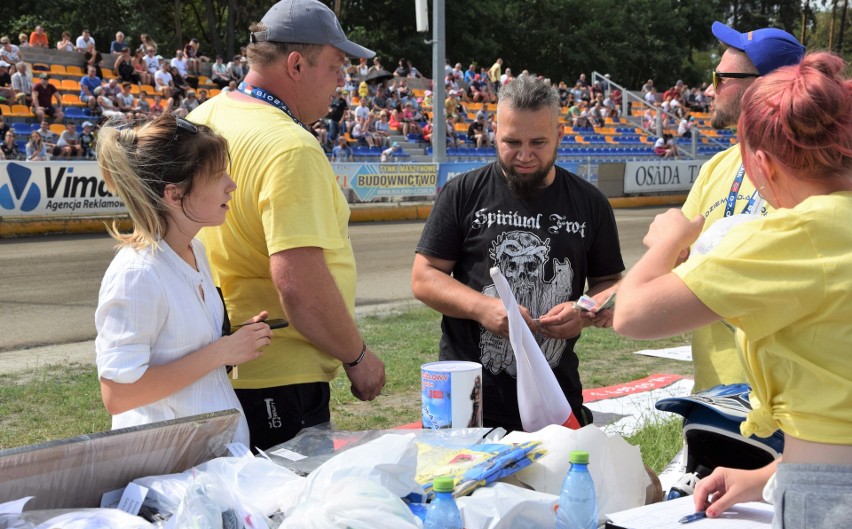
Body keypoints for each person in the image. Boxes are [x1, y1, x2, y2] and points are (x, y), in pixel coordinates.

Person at [614, 52, 852, 529]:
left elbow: (631, 314)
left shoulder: (792, 235)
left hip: (828, 500)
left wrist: (668, 240)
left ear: (762, 164)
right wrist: (764, 478)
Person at [188, 0, 386, 451]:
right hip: (280, 376)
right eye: (336, 67)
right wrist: (357, 357)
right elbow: (300, 286)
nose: (342, 83)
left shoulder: (204, 117)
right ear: (296, 64)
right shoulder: (290, 146)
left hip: (215, 368)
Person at [411, 75, 624, 432]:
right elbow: (424, 276)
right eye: (512, 142)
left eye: (538, 142)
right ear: (495, 132)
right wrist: (485, 309)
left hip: (554, 401)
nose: (524, 155)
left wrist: (584, 312)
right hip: (467, 400)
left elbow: (613, 284)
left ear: (559, 133)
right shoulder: (462, 193)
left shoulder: (590, 204)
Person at [94, 114, 273, 447]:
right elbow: (118, 394)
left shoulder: (195, 251)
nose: (231, 184)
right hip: (168, 474)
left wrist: (232, 347)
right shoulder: (137, 275)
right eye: (218, 175)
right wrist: (221, 352)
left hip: (210, 466)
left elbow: (185, 353)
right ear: (174, 195)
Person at [680, 22, 805, 393]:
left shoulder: (815, 176)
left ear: (762, 88)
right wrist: (603, 303)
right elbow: (676, 258)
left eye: (720, 79)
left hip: (792, 402)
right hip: (714, 394)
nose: (707, 89)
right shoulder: (716, 167)